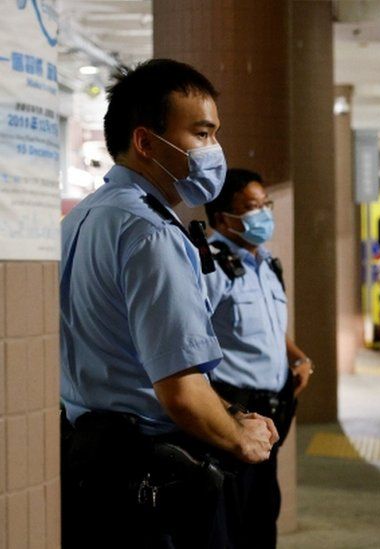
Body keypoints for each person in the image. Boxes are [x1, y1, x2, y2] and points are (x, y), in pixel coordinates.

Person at [60, 59, 278, 548]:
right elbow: (178, 390)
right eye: (201, 134)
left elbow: (129, 361)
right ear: (145, 142)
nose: (213, 151)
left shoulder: (79, 221)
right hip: (151, 478)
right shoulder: (151, 232)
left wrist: (231, 411)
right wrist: (240, 437)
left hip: (88, 466)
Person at [203, 168, 313, 548]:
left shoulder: (266, 262)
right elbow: (189, 337)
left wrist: (298, 358)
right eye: (252, 208)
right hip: (234, 415)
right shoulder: (211, 266)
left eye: (266, 204)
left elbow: (267, 327)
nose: (264, 213)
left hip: (272, 416)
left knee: (264, 516)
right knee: (233, 523)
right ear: (222, 217)